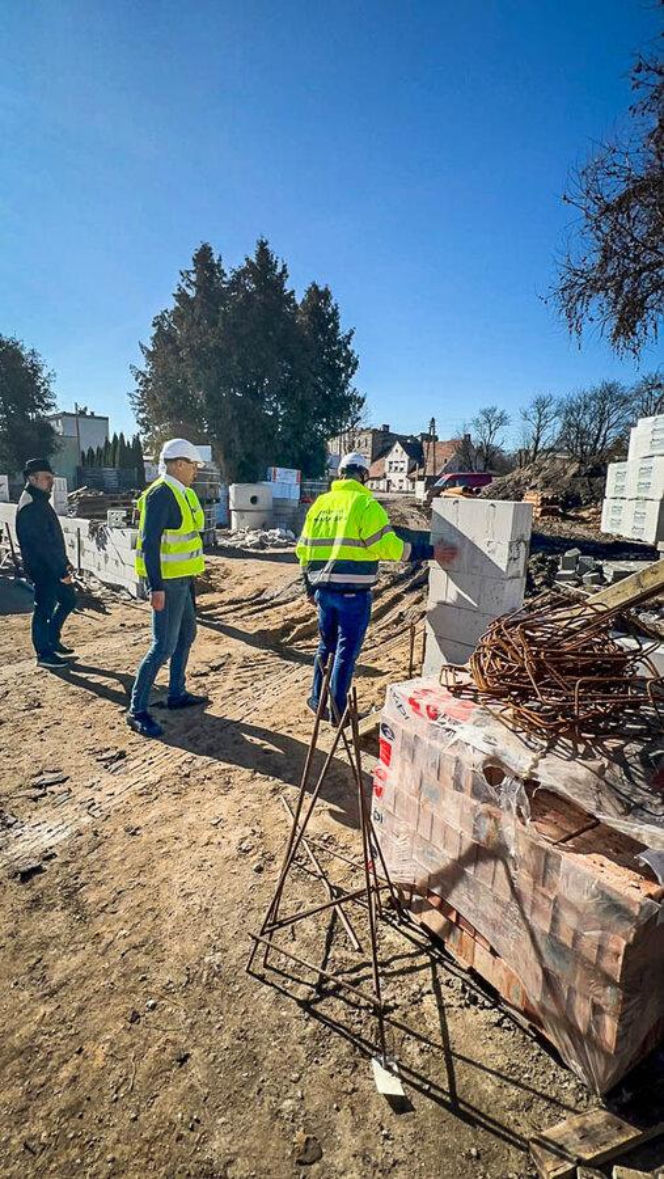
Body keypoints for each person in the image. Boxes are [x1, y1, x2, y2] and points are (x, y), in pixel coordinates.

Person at [296, 451, 457, 721]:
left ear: (341, 474)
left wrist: (309, 589)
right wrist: (431, 552)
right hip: (353, 595)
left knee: (326, 647)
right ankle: (337, 712)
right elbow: (389, 547)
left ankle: (317, 701)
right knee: (346, 652)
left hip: (324, 591)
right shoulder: (364, 504)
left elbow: (303, 550)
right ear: (364, 476)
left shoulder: (320, 504)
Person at [127, 438, 209, 738]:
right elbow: (149, 543)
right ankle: (137, 710)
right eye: (193, 465)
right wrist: (155, 587)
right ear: (177, 464)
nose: (195, 471)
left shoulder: (182, 493)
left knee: (187, 635)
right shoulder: (161, 494)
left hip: (184, 580)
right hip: (168, 583)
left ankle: (176, 693)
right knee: (162, 646)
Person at [16, 457, 77, 670]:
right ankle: (44, 653)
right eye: (47, 478)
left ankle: (52, 640)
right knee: (43, 608)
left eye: (52, 477)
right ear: (32, 478)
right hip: (44, 569)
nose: (51, 482)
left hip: (52, 566)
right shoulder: (32, 505)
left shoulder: (39, 499)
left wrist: (65, 563)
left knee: (69, 600)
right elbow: (42, 546)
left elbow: (52, 539)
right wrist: (61, 570)